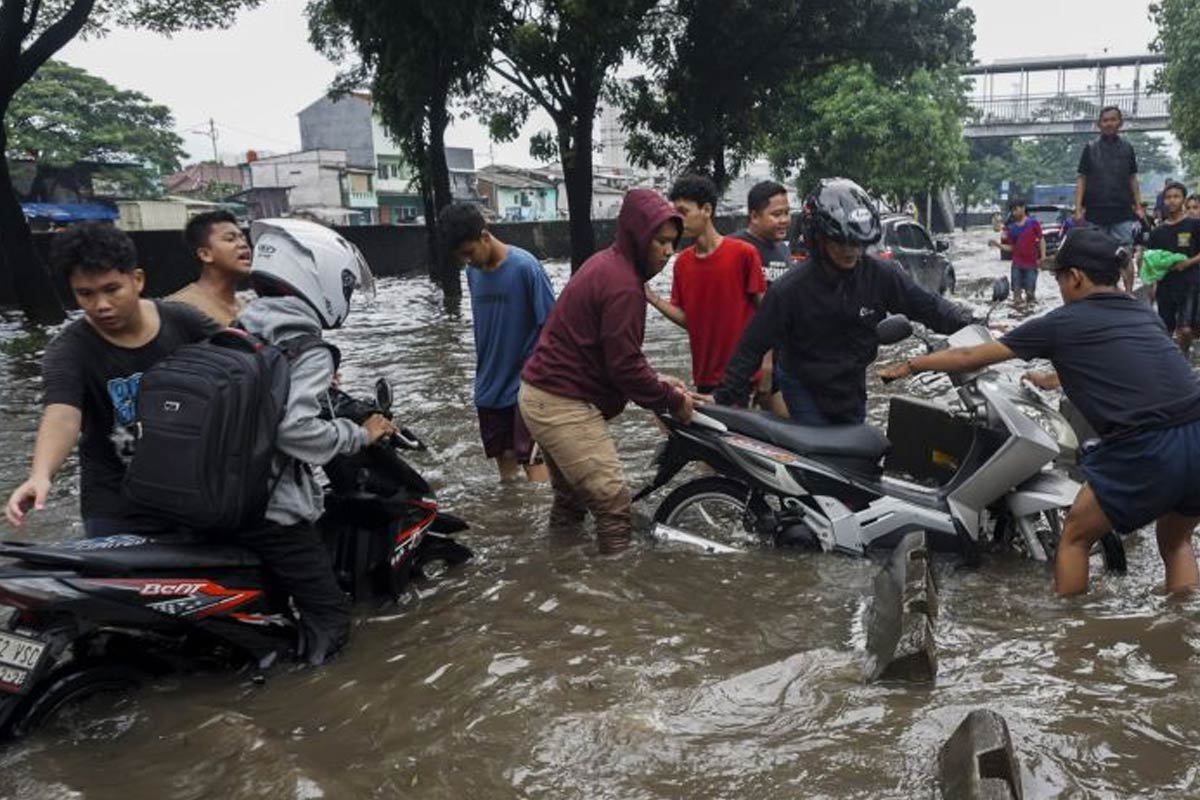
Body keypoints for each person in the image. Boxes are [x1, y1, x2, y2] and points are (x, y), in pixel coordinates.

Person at [878, 226, 1200, 597]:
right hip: (1195, 434)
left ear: (1075, 278)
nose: (1061, 289)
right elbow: (1132, 371)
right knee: (1176, 544)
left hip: (1148, 447)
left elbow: (970, 356)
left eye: (1060, 279)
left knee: (1075, 537)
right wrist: (1056, 378)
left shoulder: (1062, 323)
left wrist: (913, 365)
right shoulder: (1144, 315)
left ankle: (1071, 640)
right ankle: (1179, 634)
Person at [236, 218, 395, 664]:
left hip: (223, 496)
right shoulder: (306, 346)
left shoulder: (242, 328)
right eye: (345, 285)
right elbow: (296, 430)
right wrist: (359, 432)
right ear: (320, 277)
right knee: (330, 617)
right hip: (270, 508)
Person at [5, 223, 218, 537]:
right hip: (116, 503)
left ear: (137, 280)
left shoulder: (184, 322)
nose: (101, 305)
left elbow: (242, 360)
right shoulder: (69, 350)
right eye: (85, 294)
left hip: (191, 487)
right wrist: (40, 475)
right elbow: (62, 415)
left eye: (111, 289)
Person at [712, 178, 973, 425]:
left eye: (857, 243)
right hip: (803, 384)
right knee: (824, 458)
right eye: (841, 242)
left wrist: (971, 324)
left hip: (850, 384)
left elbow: (929, 307)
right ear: (819, 239)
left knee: (856, 455)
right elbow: (751, 347)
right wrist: (721, 402)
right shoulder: (790, 289)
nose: (850, 251)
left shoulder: (882, 274)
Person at [519, 188, 695, 553]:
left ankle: (559, 575)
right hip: (562, 403)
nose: (667, 252)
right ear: (637, 236)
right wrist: (669, 399)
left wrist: (657, 382)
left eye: (672, 243)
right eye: (659, 241)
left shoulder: (606, 264)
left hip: (540, 395)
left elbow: (612, 354)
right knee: (614, 507)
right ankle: (611, 601)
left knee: (570, 503)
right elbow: (625, 367)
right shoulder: (623, 286)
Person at [439, 202, 555, 482]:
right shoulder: (472, 273)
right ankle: (511, 527)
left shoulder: (526, 268)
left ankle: (546, 526)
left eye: (469, 252)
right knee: (506, 472)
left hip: (526, 386)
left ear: (485, 236)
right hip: (488, 387)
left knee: (531, 461)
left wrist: (542, 378)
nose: (468, 261)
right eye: (461, 257)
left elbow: (553, 327)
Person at [645, 174, 767, 395]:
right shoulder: (682, 263)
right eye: (675, 214)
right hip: (705, 376)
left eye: (683, 212)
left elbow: (768, 312)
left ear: (707, 210)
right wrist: (651, 297)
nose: (678, 221)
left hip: (745, 376)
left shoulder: (743, 254)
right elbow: (690, 321)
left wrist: (768, 366)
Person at [1074, 105, 1144, 292]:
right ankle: (1104, 292)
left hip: (1122, 212)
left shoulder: (1128, 148)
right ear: (1099, 124)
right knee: (1096, 255)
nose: (1109, 124)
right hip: (1095, 212)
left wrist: (1138, 205)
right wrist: (1078, 208)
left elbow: (1132, 179)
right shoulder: (1090, 148)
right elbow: (1082, 179)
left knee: (1125, 254)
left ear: (1120, 123)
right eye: (1105, 120)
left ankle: (1128, 293)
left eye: (1113, 120)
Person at [169, 210, 251, 326]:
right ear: (205, 255)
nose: (243, 244)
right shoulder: (180, 308)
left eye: (243, 238)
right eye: (230, 239)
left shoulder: (248, 308)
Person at [1145, 180, 1200, 353]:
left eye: (1176, 196)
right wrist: (1153, 285)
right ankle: (1170, 362)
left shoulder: (1195, 225)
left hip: (1190, 283)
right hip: (1165, 285)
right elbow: (1151, 261)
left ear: (1183, 199)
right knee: (1166, 329)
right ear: (1163, 200)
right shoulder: (1157, 232)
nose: (1172, 200)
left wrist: (1188, 263)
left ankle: (1183, 357)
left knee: (1185, 329)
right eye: (1168, 197)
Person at [731, 180, 793, 284]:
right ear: (754, 217)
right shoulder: (734, 248)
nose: (784, 220)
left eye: (786, 213)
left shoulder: (784, 249)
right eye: (777, 214)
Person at [988, 199, 1045, 305]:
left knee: (1030, 294)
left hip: (1031, 264)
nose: (1014, 212)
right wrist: (997, 244)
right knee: (1016, 295)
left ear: (1023, 208)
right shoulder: (1012, 229)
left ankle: (1029, 313)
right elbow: (1011, 248)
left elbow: (1041, 239)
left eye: (1016, 209)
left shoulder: (1033, 223)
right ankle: (1018, 314)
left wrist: (1043, 256)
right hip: (1017, 265)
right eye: (1012, 210)